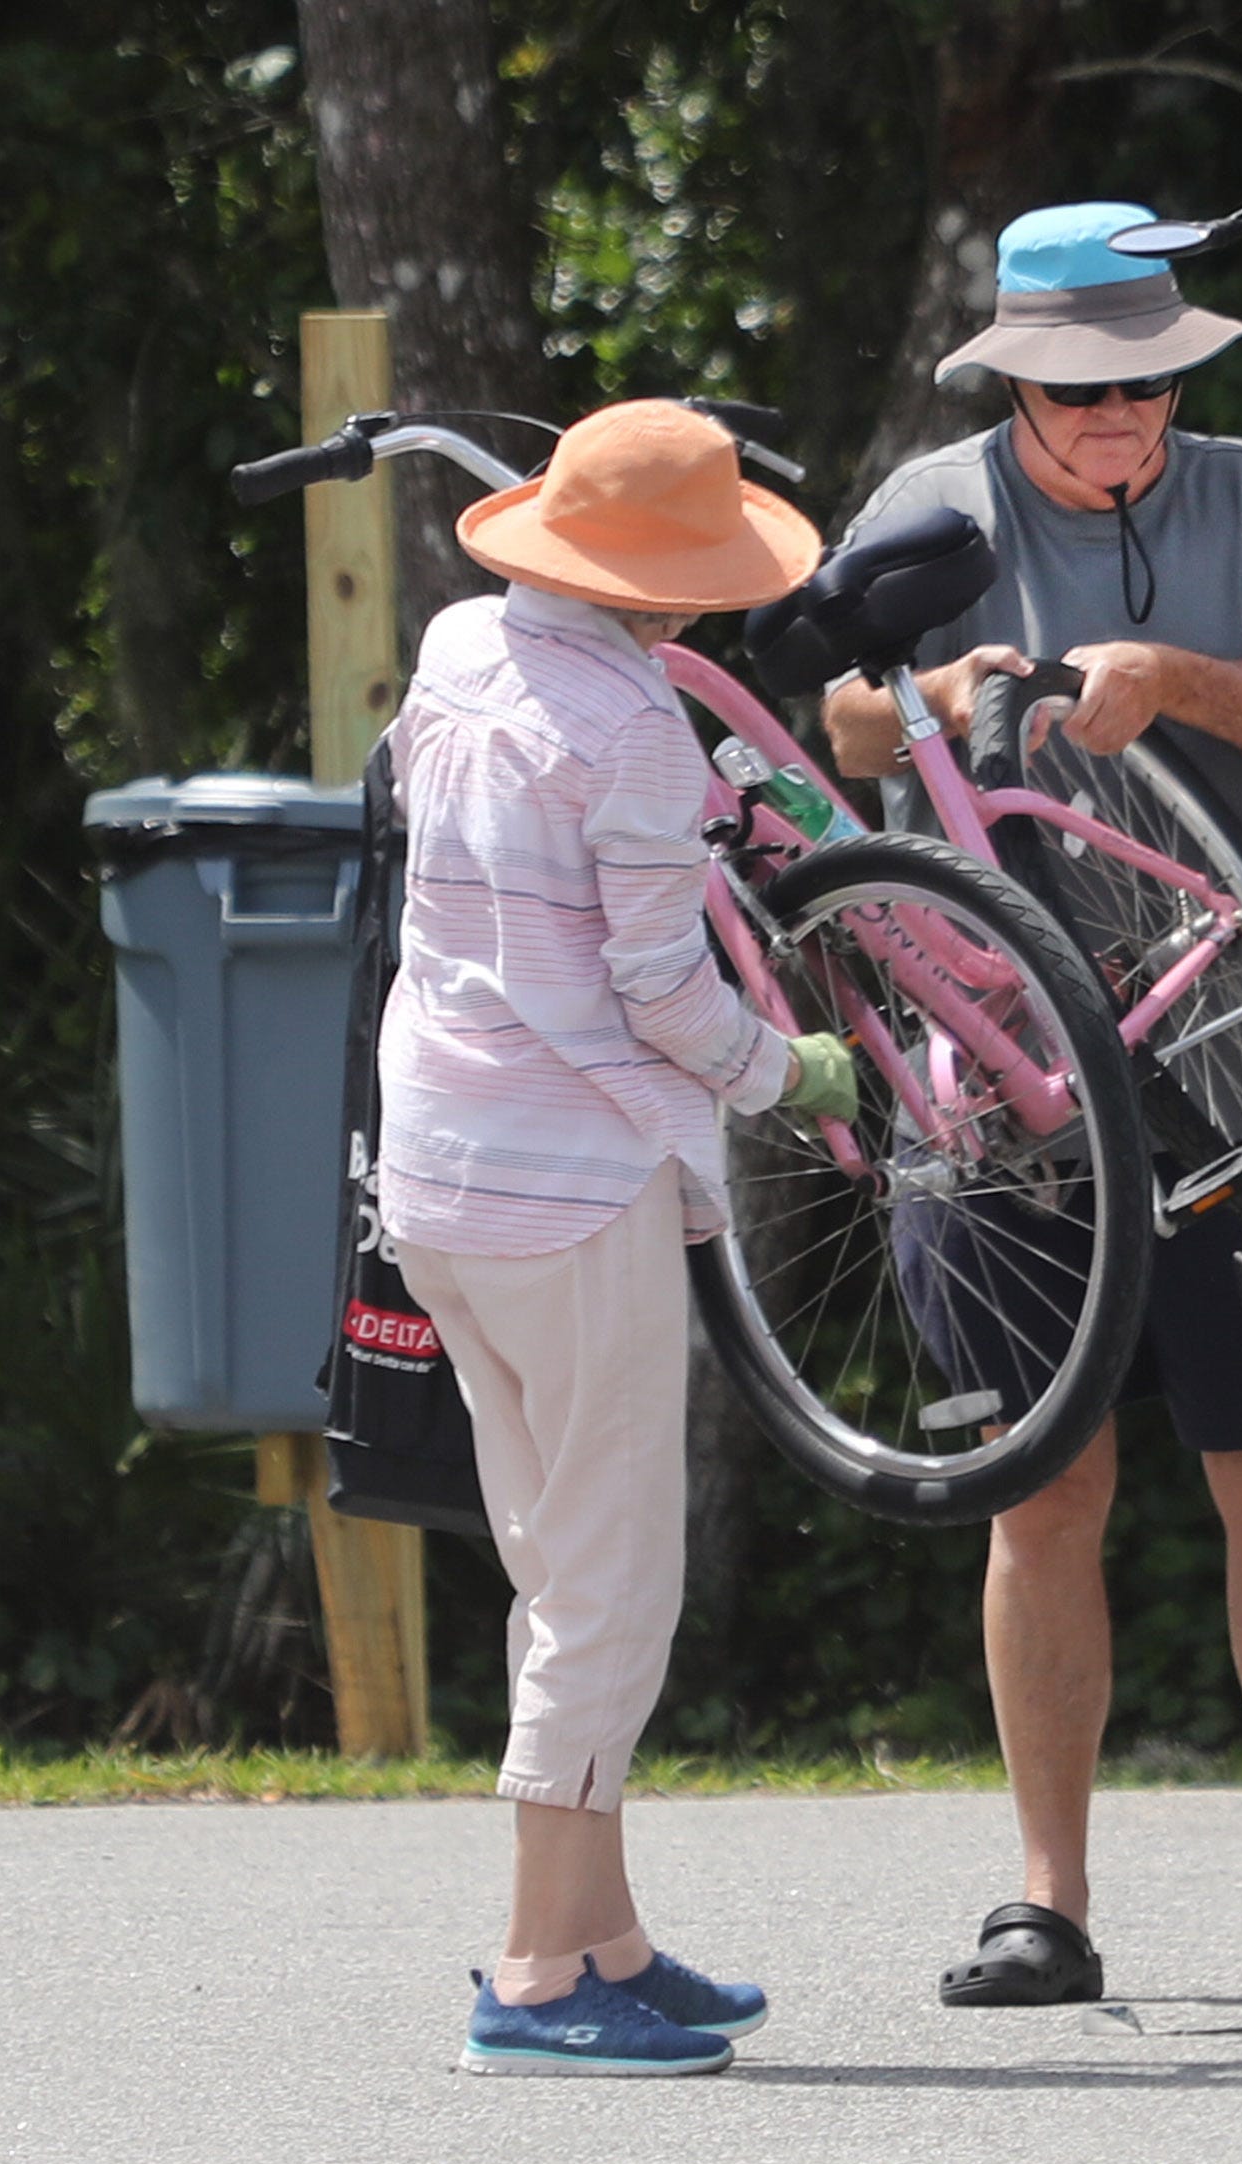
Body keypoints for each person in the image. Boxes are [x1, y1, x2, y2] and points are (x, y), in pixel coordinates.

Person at [821, 205, 1242, 2005]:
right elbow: (829, 721)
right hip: (989, 1064)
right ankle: (1045, 1903)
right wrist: (943, 696)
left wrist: (1168, 685)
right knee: (1040, 1493)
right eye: (1085, 396)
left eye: (1150, 387)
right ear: (1013, 388)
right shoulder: (933, 498)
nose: (1125, 424)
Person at [378, 398, 856, 2076]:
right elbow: (661, 993)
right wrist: (784, 1070)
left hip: (439, 1169)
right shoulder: (636, 729)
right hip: (572, 1189)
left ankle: (607, 1937)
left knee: (551, 1564)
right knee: (609, 1589)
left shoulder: (455, 645)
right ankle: (530, 1972)